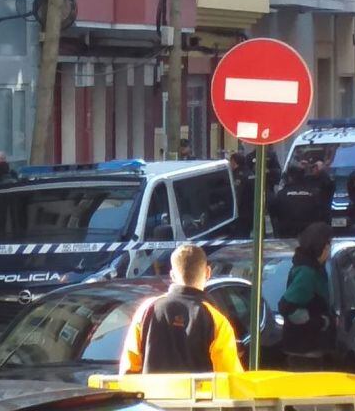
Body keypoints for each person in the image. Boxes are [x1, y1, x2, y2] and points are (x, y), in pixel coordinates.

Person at [120, 244, 244, 374]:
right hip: (198, 394)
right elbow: (230, 378)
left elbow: (128, 369)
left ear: (172, 276)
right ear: (208, 273)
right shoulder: (216, 320)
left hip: (152, 394)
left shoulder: (147, 310)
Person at [278, 223, 335, 371]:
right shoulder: (307, 273)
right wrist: (319, 322)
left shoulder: (314, 269)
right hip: (304, 351)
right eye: (328, 245)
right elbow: (287, 306)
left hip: (310, 349)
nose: (329, 250)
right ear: (321, 246)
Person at [269, 167, 323, 238]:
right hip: (309, 236)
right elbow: (321, 213)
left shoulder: (281, 194)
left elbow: (273, 213)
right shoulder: (313, 193)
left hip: (287, 235)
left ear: (289, 178)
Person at [230, 153, 254, 238]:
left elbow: (237, 195)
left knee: (240, 236)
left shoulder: (238, 176)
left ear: (234, 162)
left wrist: (234, 211)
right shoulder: (250, 173)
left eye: (231, 161)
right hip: (251, 212)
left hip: (241, 213)